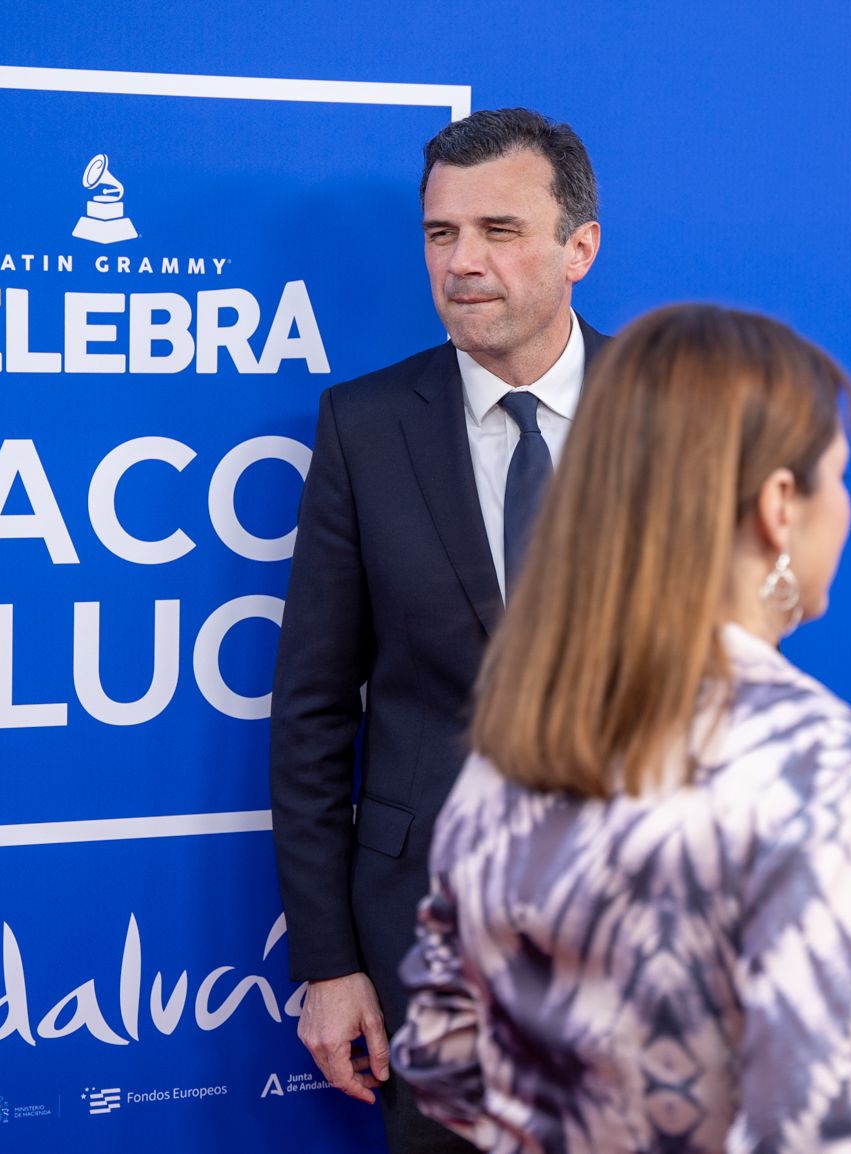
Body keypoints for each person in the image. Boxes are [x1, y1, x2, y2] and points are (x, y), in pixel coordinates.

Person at [390, 305, 851, 1154]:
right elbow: (812, 1138)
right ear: (779, 506)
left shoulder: (517, 734)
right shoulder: (811, 760)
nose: (848, 508)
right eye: (839, 476)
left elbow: (442, 1056)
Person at [268, 108, 608, 1153]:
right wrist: (330, 964)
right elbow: (313, 709)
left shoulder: (673, 415)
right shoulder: (364, 427)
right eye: (440, 233)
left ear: (578, 248)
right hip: (428, 945)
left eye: (499, 230)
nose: (463, 261)